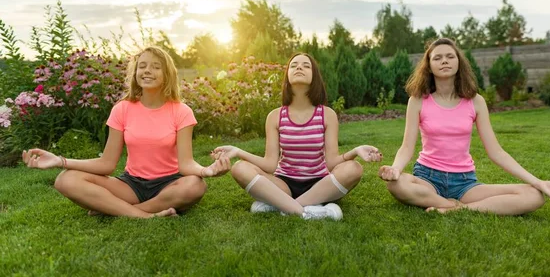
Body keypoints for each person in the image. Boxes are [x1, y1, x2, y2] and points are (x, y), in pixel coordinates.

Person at [22, 46, 230, 218]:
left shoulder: (181, 111)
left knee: (195, 186)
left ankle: (115, 211)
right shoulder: (122, 109)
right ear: (135, 73)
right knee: (65, 179)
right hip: (131, 185)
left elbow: (186, 164)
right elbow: (107, 163)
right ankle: (147, 215)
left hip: (170, 184)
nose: (147, 71)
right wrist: (60, 161)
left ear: (167, 75)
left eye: (156, 67)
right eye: (142, 66)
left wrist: (206, 171)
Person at [379, 38, 550, 215]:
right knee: (396, 184)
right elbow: (406, 147)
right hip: (427, 178)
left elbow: (496, 152)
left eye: (450, 56)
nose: (444, 61)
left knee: (534, 195)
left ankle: (457, 208)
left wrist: (539, 183)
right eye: (437, 58)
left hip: (464, 183)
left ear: (458, 62)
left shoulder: (476, 101)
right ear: (429, 66)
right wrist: (396, 169)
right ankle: (447, 204)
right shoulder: (418, 100)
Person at [211, 53, 382, 220]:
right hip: (283, 184)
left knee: (354, 168)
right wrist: (238, 151)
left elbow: (331, 163)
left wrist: (355, 151)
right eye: (294, 65)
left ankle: (281, 206)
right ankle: (308, 211)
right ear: (287, 76)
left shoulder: (327, 115)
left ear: (314, 77)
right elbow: (270, 165)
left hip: (320, 185)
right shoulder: (275, 116)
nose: (299, 67)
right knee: (240, 168)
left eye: (306, 65)